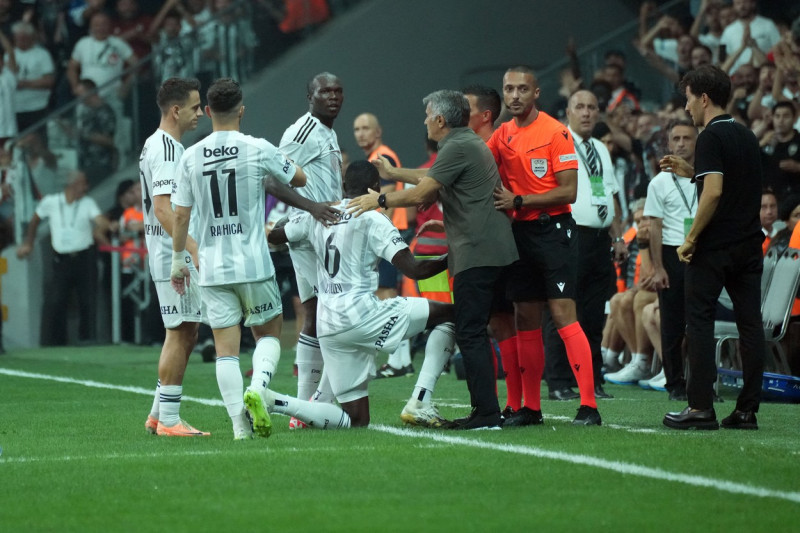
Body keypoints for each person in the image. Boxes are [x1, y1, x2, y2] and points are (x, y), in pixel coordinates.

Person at [349, 89, 519, 430]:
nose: (425, 121)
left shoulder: (457, 146)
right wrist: (394, 174)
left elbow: (426, 191)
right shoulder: (461, 144)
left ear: (440, 120)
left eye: (427, 115)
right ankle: (498, 408)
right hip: (488, 247)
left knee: (470, 332)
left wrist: (380, 200)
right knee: (482, 328)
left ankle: (486, 413)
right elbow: (432, 178)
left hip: (477, 250)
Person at [266, 160, 457, 429]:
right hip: (362, 315)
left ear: (343, 186)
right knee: (451, 315)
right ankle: (421, 400)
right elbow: (414, 270)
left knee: (356, 421)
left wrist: (296, 222)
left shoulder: (319, 213)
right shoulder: (373, 218)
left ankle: (274, 401)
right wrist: (452, 257)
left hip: (329, 325)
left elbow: (274, 236)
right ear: (376, 188)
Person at [169, 77, 306, 439]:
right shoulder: (257, 147)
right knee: (269, 334)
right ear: (242, 110)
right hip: (254, 263)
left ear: (209, 110)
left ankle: (238, 427)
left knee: (225, 350)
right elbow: (301, 178)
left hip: (212, 268)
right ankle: (258, 388)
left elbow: (180, 215)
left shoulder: (190, 156)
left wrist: (177, 259)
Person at [488, 66, 601, 426]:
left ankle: (588, 405)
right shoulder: (501, 135)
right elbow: (472, 167)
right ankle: (531, 409)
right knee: (525, 317)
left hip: (554, 231)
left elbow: (569, 191)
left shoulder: (556, 132)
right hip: (519, 234)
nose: (515, 95)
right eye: (509, 89)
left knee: (564, 313)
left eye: (523, 88)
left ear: (536, 93)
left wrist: (519, 200)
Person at [662, 64, 765, 430]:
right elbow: (737, 184)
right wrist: (692, 172)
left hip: (715, 247)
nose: (687, 107)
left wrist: (691, 239)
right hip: (750, 245)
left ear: (703, 97)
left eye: (688, 99)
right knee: (751, 325)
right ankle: (747, 410)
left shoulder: (709, 137)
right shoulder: (747, 135)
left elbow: (716, 193)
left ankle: (700, 407)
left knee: (699, 322)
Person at [265, 72, 342, 429]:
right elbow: (271, 179)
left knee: (321, 312)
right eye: (325, 91)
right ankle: (309, 402)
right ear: (309, 96)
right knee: (320, 311)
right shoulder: (302, 131)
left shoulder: (328, 131)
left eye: (338, 91)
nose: (333, 96)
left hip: (327, 230)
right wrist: (312, 209)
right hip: (310, 232)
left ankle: (308, 405)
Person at [543, 89, 626, 402]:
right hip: (568, 233)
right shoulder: (557, 141)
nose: (587, 113)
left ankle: (592, 379)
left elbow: (609, 193)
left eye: (593, 107)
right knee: (562, 310)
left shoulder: (601, 149)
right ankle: (558, 381)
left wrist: (617, 236)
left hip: (599, 237)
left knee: (593, 314)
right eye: (580, 107)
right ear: (568, 111)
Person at [140, 77, 208, 437]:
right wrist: (190, 251)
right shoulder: (167, 150)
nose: (200, 113)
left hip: (167, 252)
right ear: (176, 109)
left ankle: (158, 414)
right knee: (180, 332)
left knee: (186, 329)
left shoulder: (159, 145)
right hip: (172, 254)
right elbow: (165, 210)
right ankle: (168, 420)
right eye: (195, 107)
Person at [636, 121, 699, 401]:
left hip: (702, 253)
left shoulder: (708, 178)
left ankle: (703, 383)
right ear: (669, 144)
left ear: (697, 142)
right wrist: (658, 266)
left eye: (688, 137)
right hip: (673, 255)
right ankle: (674, 383)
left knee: (700, 323)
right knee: (672, 323)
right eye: (677, 138)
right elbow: (655, 227)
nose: (682, 143)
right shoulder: (659, 182)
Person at [16, 171, 109, 345]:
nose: (86, 187)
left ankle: (87, 338)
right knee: (57, 299)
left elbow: (100, 219)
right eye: (83, 183)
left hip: (84, 256)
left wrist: (104, 225)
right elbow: (34, 220)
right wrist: (28, 242)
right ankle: (55, 341)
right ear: (72, 184)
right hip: (61, 258)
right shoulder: (51, 202)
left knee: (87, 298)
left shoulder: (87, 202)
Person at [352, 111, 413, 377]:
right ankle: (401, 360)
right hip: (388, 234)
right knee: (386, 295)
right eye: (357, 129)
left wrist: (377, 239)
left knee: (387, 296)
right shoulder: (373, 158)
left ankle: (400, 361)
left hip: (388, 235)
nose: (361, 133)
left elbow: (385, 201)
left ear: (378, 132)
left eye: (366, 128)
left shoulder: (382, 157)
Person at [8, 21, 55, 136]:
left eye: (24, 38)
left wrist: (23, 84)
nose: (21, 41)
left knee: (38, 143)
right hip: (14, 109)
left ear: (31, 37)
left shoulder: (42, 54)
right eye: (18, 38)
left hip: (36, 108)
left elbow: (49, 81)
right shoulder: (8, 55)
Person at [761, 101, 800, 197]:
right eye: (777, 116)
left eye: (786, 116)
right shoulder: (766, 141)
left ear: (794, 119)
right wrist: (761, 143)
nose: (781, 120)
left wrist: (798, 167)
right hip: (769, 197)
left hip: (795, 196)